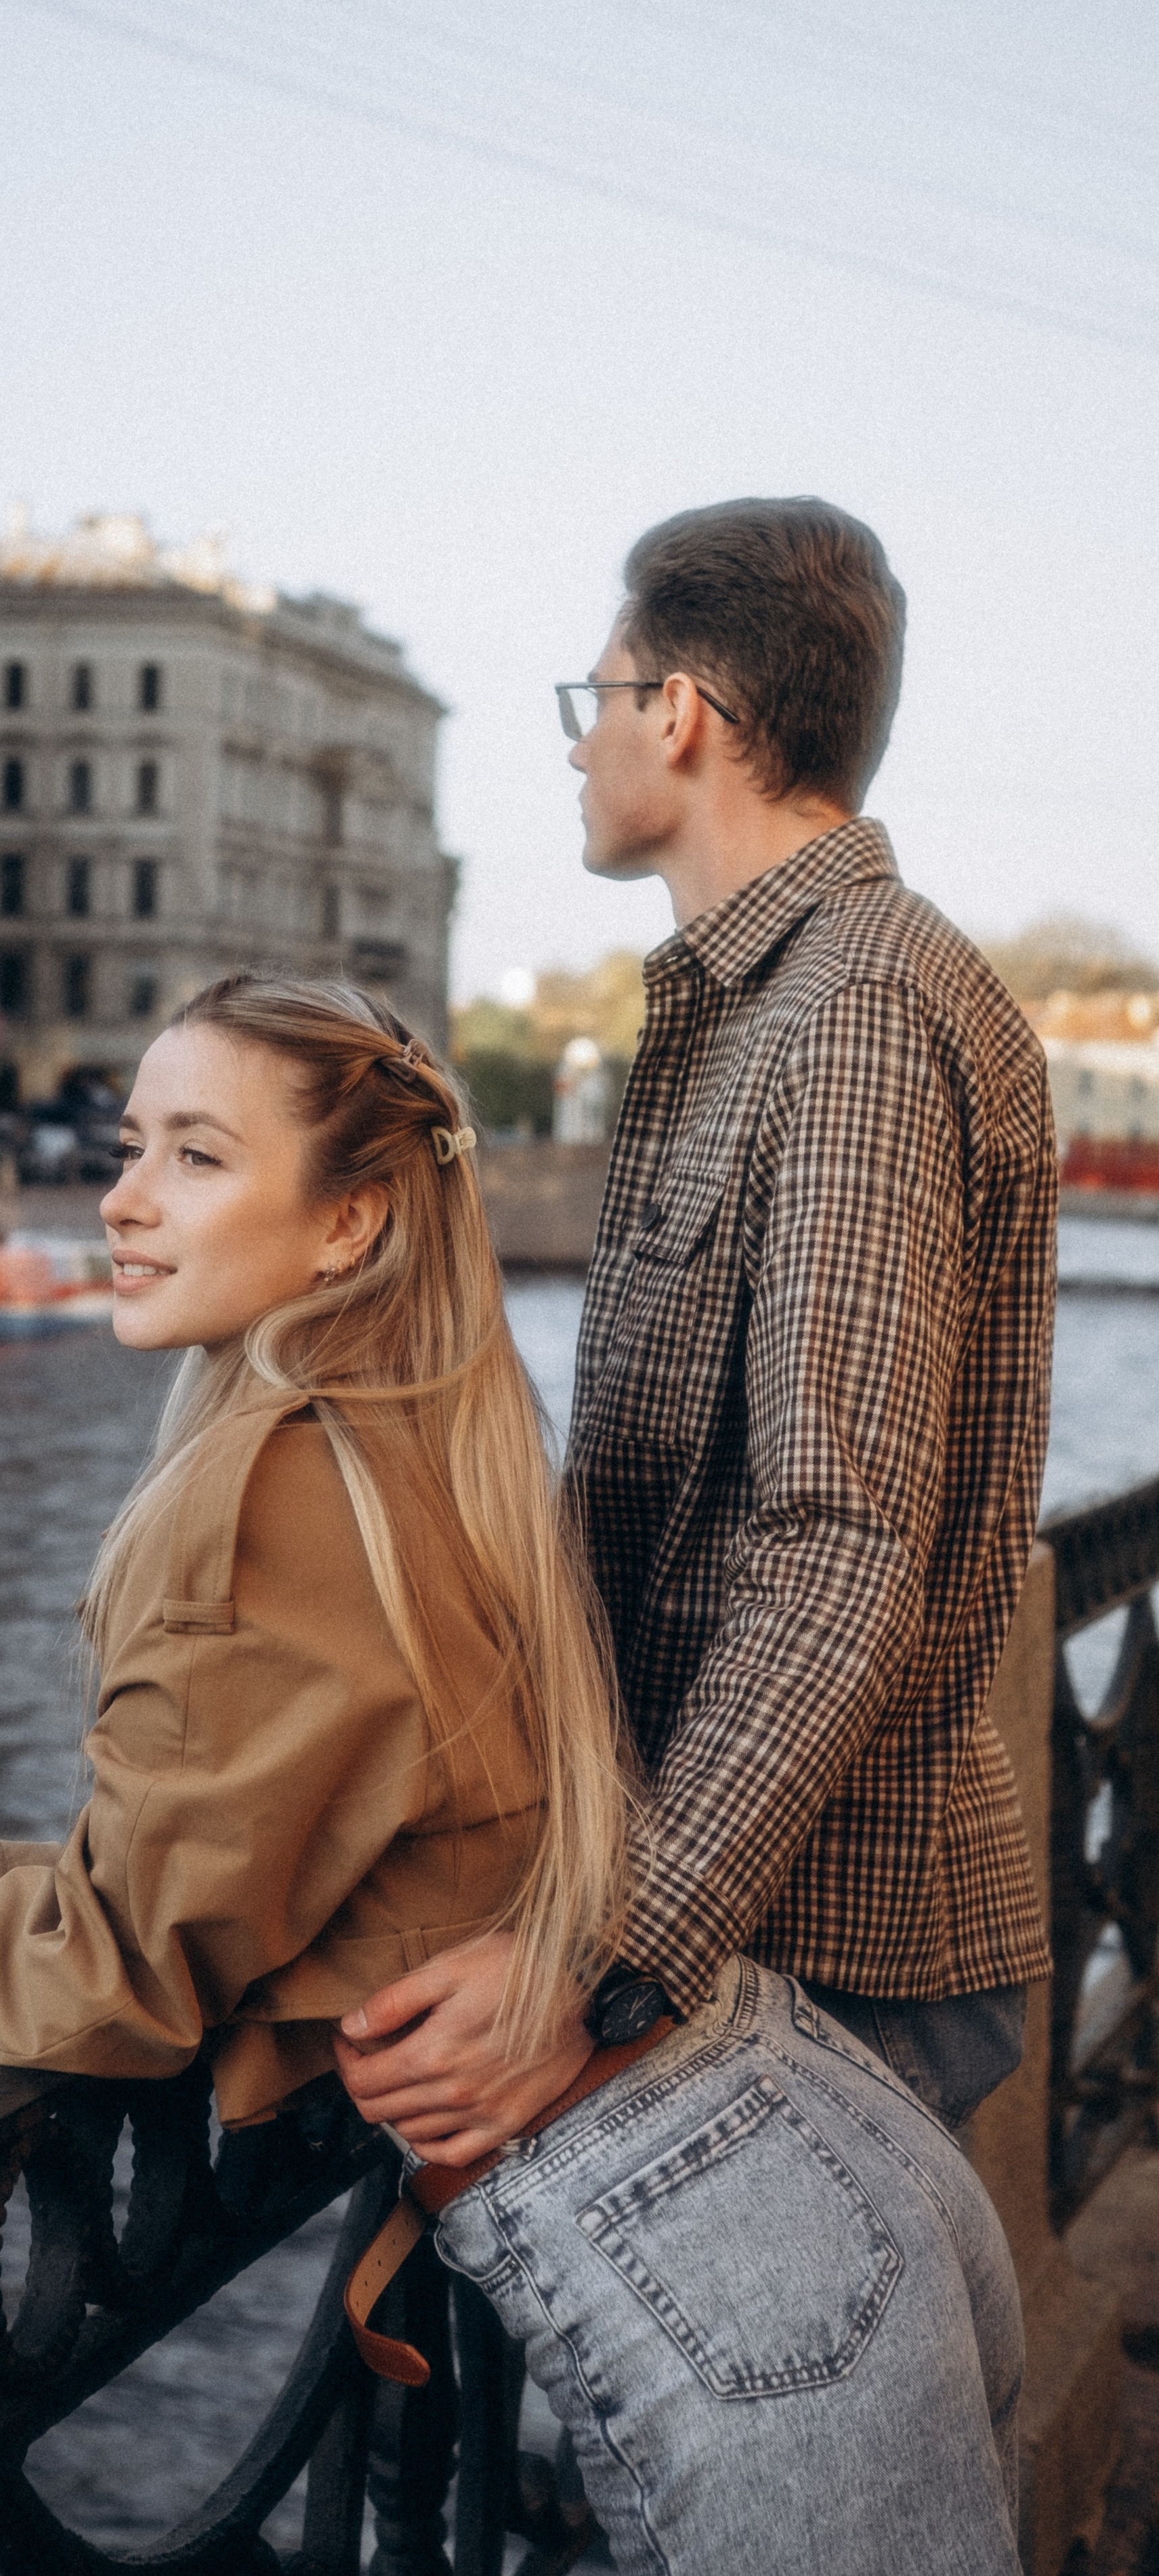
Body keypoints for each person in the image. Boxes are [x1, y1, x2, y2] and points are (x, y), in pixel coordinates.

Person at [0, 973, 1028, 2576]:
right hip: (805, 2137)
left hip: (709, 2256)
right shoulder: (418, 1437)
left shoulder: (264, 1496)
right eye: (130, 1141)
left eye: (196, 1157)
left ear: (349, 1220)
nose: (121, 1196)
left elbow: (132, 1974)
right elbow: (232, 1863)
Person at [335, 495, 1056, 2180]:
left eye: (591, 696)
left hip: (817, 1964)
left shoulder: (852, 1015)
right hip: (767, 1938)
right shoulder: (780, 997)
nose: (578, 742)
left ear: (679, 715)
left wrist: (591, 1974)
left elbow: (833, 1549)